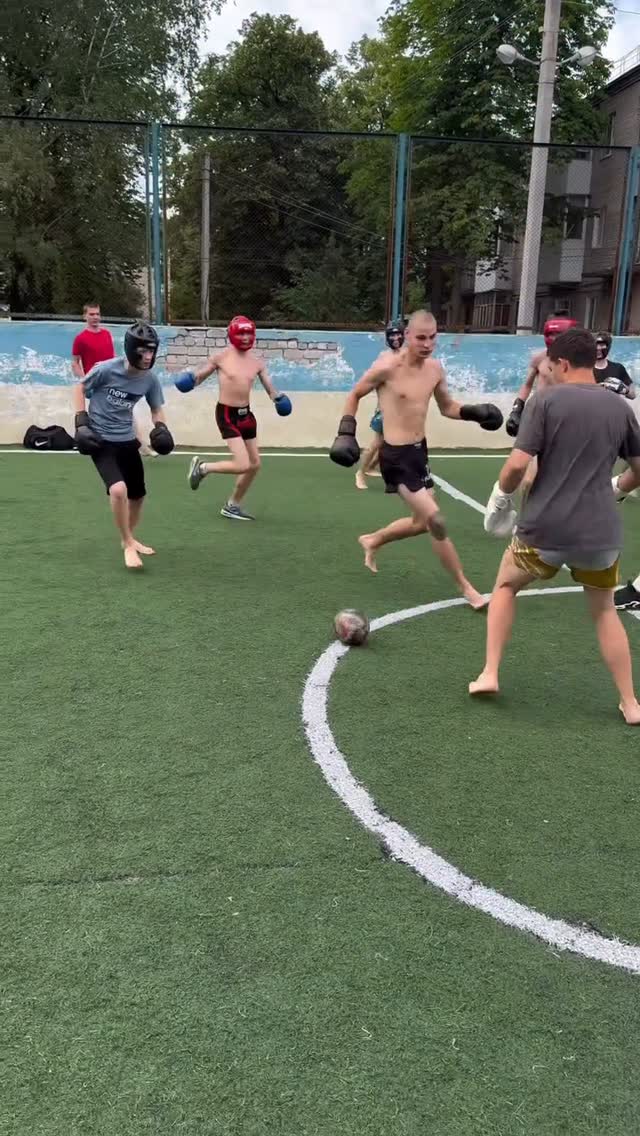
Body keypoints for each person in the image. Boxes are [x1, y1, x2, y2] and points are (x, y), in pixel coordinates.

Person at [473, 327, 640, 725]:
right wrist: (615, 487)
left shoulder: (545, 401)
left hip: (545, 528)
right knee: (604, 611)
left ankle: (490, 673)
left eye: (551, 366)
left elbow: (517, 466)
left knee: (505, 587)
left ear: (563, 363)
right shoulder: (620, 408)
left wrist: (499, 498)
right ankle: (631, 703)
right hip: (599, 533)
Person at [329, 309, 503, 609]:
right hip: (394, 458)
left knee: (421, 523)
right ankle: (466, 588)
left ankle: (373, 540)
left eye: (432, 337)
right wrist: (346, 431)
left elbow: (447, 407)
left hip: (419, 453)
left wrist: (474, 413)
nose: (427, 344)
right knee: (435, 520)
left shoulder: (434, 369)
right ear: (407, 336)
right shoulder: (387, 367)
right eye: (421, 337)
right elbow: (355, 394)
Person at [72, 321, 181, 570]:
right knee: (118, 490)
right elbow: (79, 387)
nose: (148, 356)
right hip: (100, 439)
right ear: (131, 349)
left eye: (151, 350)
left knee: (138, 495)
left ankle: (128, 537)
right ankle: (128, 543)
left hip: (126, 439)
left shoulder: (149, 380)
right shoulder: (106, 369)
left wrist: (161, 428)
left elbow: (156, 408)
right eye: (143, 350)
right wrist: (81, 422)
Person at [183, 315, 289, 521]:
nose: (246, 337)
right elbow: (200, 376)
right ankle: (203, 468)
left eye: (249, 333)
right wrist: (191, 379)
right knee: (242, 464)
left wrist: (279, 399)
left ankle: (232, 505)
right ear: (232, 334)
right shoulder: (221, 357)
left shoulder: (257, 363)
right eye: (241, 333)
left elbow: (270, 389)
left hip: (246, 415)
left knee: (254, 464)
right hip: (226, 414)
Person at [71, 300, 156, 457]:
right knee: (97, 415)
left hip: (113, 382)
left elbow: (112, 359)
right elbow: (75, 363)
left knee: (126, 411)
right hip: (95, 383)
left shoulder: (106, 334)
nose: (95, 317)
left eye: (97, 314)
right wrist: (85, 379)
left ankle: (139, 444)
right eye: (91, 314)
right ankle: (85, 440)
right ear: (85, 316)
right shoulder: (80, 338)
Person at [505, 313, 577, 437]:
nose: (554, 337)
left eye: (558, 334)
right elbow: (527, 385)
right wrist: (516, 411)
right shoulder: (539, 358)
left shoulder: (578, 361)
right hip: (540, 411)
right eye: (551, 334)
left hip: (566, 412)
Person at [355, 318, 405, 490]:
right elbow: (374, 382)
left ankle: (370, 467)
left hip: (401, 409)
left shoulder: (407, 356)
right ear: (387, 338)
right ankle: (360, 473)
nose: (395, 338)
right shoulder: (384, 358)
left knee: (391, 443)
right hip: (385, 409)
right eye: (392, 335)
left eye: (398, 334)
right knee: (378, 442)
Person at [594, 332, 635, 399]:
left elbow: (632, 395)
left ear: (608, 347)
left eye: (601, 345)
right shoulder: (584, 368)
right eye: (595, 344)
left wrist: (624, 389)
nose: (598, 348)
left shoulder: (618, 368)